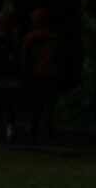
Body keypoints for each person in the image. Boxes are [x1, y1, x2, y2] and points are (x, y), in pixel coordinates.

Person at [20, 9, 64, 139]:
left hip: (35, 74)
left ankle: (35, 126)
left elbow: (25, 56)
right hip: (51, 73)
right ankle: (47, 127)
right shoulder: (54, 38)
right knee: (49, 102)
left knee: (35, 102)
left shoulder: (30, 38)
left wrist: (24, 70)